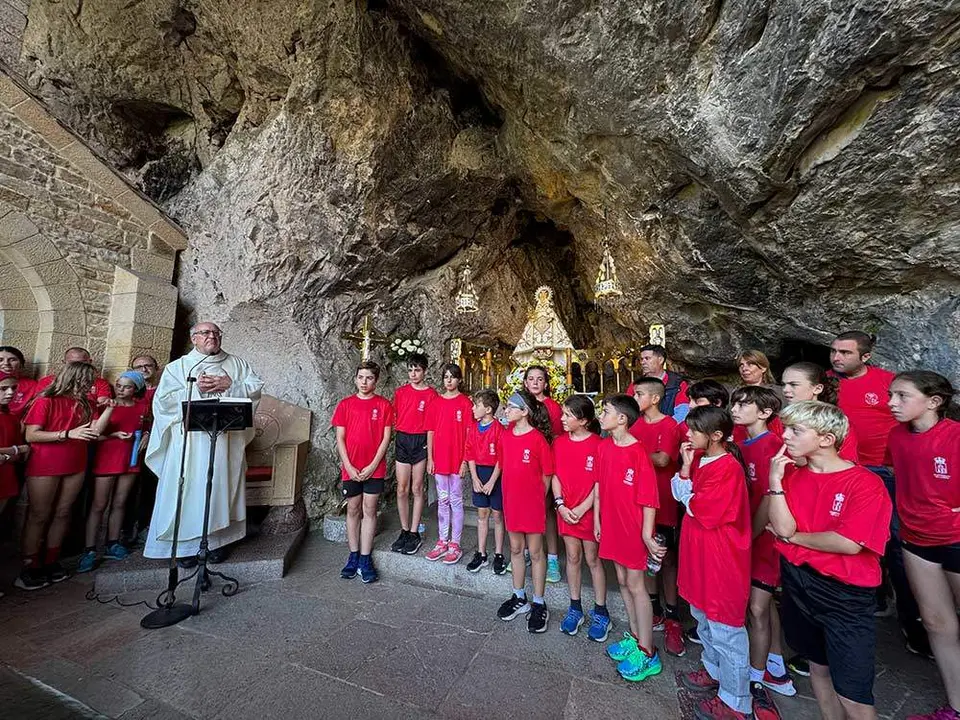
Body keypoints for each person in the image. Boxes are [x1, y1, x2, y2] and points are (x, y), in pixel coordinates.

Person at [768, 400, 892, 720]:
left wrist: (794, 539)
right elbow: (781, 527)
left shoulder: (864, 483)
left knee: (852, 693)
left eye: (796, 430)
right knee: (817, 667)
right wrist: (774, 483)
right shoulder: (792, 476)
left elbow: (849, 543)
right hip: (798, 578)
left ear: (826, 439)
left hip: (844, 593)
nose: (786, 437)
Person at [831, 330, 926, 654]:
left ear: (865, 356)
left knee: (898, 543)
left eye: (845, 352)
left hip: (885, 472)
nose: (837, 358)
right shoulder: (829, 384)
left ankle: (912, 620)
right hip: (845, 470)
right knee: (853, 539)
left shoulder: (888, 383)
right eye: (834, 351)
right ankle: (873, 597)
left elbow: (911, 423)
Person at [144, 322, 263, 568]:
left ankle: (217, 542)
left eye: (216, 333)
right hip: (189, 444)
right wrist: (195, 390)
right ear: (193, 339)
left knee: (220, 487)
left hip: (225, 442)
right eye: (205, 333)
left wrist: (231, 386)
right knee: (188, 488)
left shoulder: (237, 364)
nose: (212, 336)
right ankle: (186, 547)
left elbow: (255, 390)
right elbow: (162, 403)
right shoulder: (178, 368)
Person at [886, 371, 960, 720]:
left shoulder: (956, 437)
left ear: (934, 401)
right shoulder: (896, 437)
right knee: (935, 623)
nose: (891, 403)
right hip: (916, 539)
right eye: (891, 395)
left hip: (957, 539)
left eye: (902, 396)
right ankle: (956, 707)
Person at [674, 406, 754, 720]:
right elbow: (682, 490)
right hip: (700, 554)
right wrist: (686, 470)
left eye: (694, 431)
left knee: (726, 628)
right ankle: (714, 670)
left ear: (716, 435)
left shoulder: (728, 467)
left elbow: (701, 507)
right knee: (703, 615)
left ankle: (736, 700)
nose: (688, 436)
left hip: (721, 557)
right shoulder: (701, 460)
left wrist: (686, 491)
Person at [730, 386, 796, 708]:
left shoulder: (775, 446)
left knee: (758, 606)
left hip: (764, 538)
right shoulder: (739, 442)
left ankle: (755, 679)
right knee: (761, 605)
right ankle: (774, 663)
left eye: (744, 404)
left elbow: (773, 495)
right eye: (735, 403)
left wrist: (749, 535)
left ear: (765, 412)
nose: (736, 409)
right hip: (744, 535)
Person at [20, 362, 111, 590]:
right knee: (39, 514)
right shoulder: (45, 401)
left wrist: (111, 408)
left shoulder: (86, 403)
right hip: (46, 462)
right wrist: (67, 433)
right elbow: (32, 435)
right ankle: (30, 565)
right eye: (88, 380)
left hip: (75, 461)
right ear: (75, 378)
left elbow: (94, 430)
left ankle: (51, 559)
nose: (92, 385)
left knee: (63, 512)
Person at [596, 394, 664, 683]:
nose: (602, 415)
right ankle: (635, 637)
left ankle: (647, 652)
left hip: (632, 527)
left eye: (606, 411)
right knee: (622, 581)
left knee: (637, 586)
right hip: (611, 524)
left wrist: (647, 535)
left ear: (622, 418)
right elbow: (599, 484)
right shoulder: (604, 447)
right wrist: (598, 519)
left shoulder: (638, 452)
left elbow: (649, 498)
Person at [629, 377, 686, 657]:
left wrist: (631, 451)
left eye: (638, 393)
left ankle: (673, 614)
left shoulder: (669, 425)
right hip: (638, 502)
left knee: (668, 559)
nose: (634, 397)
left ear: (654, 398)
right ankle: (652, 607)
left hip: (663, 502)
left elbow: (664, 459)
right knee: (645, 559)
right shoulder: (636, 425)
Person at [78, 371, 150, 573]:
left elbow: (145, 425)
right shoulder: (105, 406)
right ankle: (90, 549)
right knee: (99, 504)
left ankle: (113, 542)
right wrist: (115, 435)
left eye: (127, 386)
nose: (121, 389)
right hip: (108, 455)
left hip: (130, 457)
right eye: (119, 385)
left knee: (120, 502)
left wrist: (146, 433)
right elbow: (94, 435)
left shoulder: (142, 406)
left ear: (135, 389)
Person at [496, 390, 554, 633]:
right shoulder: (505, 437)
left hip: (532, 503)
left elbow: (547, 474)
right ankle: (519, 596)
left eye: (510, 407)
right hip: (512, 501)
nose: (506, 411)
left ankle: (539, 602)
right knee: (516, 549)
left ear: (524, 412)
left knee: (537, 552)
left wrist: (539, 498)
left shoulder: (538, 439)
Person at [551, 395, 607, 640]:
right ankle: (575, 607)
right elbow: (555, 476)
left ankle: (601, 610)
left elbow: (599, 481)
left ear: (584, 420)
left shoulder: (598, 444)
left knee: (593, 559)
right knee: (572, 557)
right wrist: (560, 504)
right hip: (565, 509)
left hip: (588, 510)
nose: (562, 419)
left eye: (567, 415)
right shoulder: (559, 443)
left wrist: (584, 508)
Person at [332, 360, 392, 582]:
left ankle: (366, 558)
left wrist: (372, 465)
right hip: (351, 468)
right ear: (355, 379)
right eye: (361, 377)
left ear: (376, 381)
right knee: (353, 510)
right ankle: (353, 554)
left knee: (370, 509)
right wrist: (348, 466)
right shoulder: (345, 405)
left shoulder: (384, 405)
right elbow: (340, 438)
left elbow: (386, 439)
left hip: (374, 468)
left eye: (369, 378)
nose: (364, 382)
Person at [424, 364, 473, 564]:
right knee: (442, 500)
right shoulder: (436, 403)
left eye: (453, 377)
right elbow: (430, 431)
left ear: (459, 380)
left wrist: (465, 461)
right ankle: (442, 541)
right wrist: (430, 458)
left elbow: (470, 434)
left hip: (457, 460)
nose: (449, 381)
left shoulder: (465, 403)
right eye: (445, 377)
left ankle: (455, 543)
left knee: (456, 500)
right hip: (440, 459)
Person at [390, 353, 437, 556]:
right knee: (402, 488)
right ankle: (404, 529)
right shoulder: (400, 392)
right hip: (403, 439)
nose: (413, 374)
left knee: (417, 487)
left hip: (420, 441)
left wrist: (431, 454)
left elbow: (432, 427)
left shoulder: (431, 395)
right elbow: (395, 416)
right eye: (410, 369)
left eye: (417, 370)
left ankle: (414, 530)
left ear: (425, 371)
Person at [523, 365, 563, 583]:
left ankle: (553, 558)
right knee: (525, 510)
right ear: (525, 383)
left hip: (545, 463)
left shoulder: (553, 408)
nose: (535, 383)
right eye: (531, 379)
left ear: (546, 384)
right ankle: (526, 551)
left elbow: (557, 437)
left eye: (539, 379)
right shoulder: (521, 405)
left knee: (547, 512)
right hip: (524, 465)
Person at [781, 362, 859, 462]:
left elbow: (847, 463)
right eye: (783, 384)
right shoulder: (781, 418)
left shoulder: (833, 421)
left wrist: (802, 461)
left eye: (793, 384)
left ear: (817, 388)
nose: (785, 389)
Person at [464, 389, 506, 574]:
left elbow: (501, 458)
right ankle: (481, 553)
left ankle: (498, 554)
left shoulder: (499, 430)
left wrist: (492, 481)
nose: (473, 408)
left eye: (476, 405)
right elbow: (470, 453)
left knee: (497, 515)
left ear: (488, 409)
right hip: (479, 473)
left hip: (495, 474)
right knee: (482, 514)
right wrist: (474, 478)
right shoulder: (473, 428)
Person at [37, 347, 113, 406]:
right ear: (64, 363)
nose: (77, 367)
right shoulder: (48, 381)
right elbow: (40, 404)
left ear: (89, 362)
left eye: (81, 363)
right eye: (72, 363)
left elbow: (103, 404)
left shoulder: (100, 383)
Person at [0, 371, 29, 517]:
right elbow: (21, 449)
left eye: (14, 387)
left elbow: (23, 455)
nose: (10, 392)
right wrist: (15, 450)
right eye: (4, 388)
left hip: (6, 476)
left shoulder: (12, 418)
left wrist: (6, 456)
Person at [638, 344, 690, 422]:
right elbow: (630, 410)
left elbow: (682, 412)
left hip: (670, 429)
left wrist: (663, 427)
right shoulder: (636, 385)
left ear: (660, 360)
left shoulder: (678, 383)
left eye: (647, 358)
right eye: (642, 359)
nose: (643, 362)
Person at [0, 346, 39, 417]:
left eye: (12, 360)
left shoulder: (32, 385)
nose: (6, 363)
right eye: (0, 360)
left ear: (21, 364)